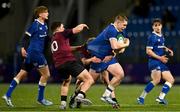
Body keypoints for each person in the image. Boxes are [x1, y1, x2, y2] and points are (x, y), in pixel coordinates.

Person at [2, 6, 53, 107]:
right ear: (40, 14)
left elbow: (46, 38)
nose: (47, 14)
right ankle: (40, 98)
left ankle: (7, 95)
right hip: (35, 53)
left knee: (21, 74)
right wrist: (22, 48)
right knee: (46, 75)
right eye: (46, 12)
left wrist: (53, 39)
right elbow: (25, 38)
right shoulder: (35, 25)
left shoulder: (45, 25)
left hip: (32, 54)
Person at [87, 15, 130, 106]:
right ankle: (76, 96)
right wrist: (126, 44)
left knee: (118, 75)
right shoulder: (111, 30)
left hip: (109, 57)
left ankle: (108, 97)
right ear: (118, 22)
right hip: (100, 57)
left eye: (126, 25)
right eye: (124, 25)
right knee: (90, 80)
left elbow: (120, 49)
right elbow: (116, 46)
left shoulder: (121, 32)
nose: (125, 27)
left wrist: (116, 51)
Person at [50, 22, 94, 109]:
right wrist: (82, 25)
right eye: (62, 27)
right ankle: (80, 96)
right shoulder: (61, 34)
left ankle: (63, 104)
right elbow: (76, 29)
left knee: (66, 81)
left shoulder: (54, 39)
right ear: (58, 29)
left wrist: (79, 47)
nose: (64, 28)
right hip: (68, 62)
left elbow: (67, 48)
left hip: (59, 65)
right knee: (89, 79)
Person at [137, 18, 175, 105]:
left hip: (161, 61)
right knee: (156, 80)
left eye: (159, 25)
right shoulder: (152, 37)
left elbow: (161, 46)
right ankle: (141, 97)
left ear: (162, 26)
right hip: (154, 61)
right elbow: (148, 51)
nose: (157, 27)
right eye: (155, 25)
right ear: (152, 27)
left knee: (171, 80)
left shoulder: (161, 36)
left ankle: (160, 98)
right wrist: (160, 58)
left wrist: (168, 50)